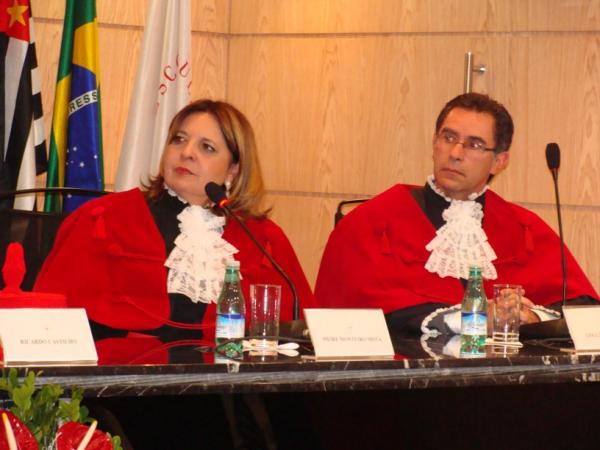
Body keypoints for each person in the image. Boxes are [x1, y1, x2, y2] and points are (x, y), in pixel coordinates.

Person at [315, 92, 598, 335]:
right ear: (434, 143)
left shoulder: (524, 227)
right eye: (448, 137)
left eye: (474, 144)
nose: (455, 153)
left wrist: (532, 317)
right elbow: (354, 315)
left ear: (499, 161)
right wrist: (477, 319)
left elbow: (584, 310)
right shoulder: (371, 221)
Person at [34, 99, 316, 341]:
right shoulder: (104, 219)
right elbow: (47, 326)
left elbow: (306, 333)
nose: (187, 152)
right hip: (122, 381)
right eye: (178, 139)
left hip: (232, 384)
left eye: (207, 147)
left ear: (233, 169)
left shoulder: (263, 238)